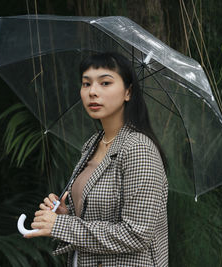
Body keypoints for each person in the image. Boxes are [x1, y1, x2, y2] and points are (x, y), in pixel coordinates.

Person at [24, 52, 169, 267]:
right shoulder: (93, 143)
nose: (93, 92)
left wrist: (62, 225)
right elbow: (98, 214)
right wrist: (67, 214)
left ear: (128, 92)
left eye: (105, 83)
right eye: (86, 84)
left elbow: (137, 233)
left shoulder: (138, 148)